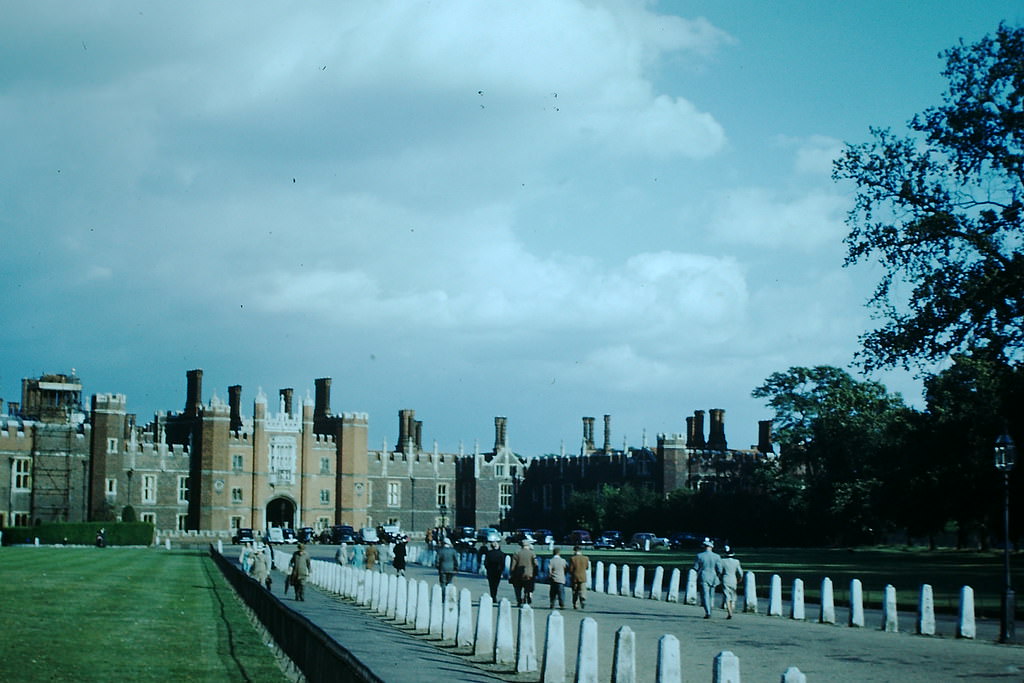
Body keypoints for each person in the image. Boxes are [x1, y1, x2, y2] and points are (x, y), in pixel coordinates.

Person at [693, 538, 723, 618]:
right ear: (711, 547)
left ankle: (708, 612)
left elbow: (695, 567)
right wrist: (717, 576)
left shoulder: (699, 555)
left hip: (703, 576)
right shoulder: (717, 556)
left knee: (705, 595)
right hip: (713, 576)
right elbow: (720, 570)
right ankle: (710, 609)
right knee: (711, 595)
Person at [510, 539, 538, 607]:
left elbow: (513, 565)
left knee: (518, 588)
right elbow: (535, 564)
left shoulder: (517, 553)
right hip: (529, 574)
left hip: (518, 574)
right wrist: (535, 572)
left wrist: (512, 573)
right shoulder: (532, 553)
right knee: (527, 587)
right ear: (528, 545)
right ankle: (526, 596)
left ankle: (519, 600)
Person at [719, 545, 743, 619]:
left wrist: (720, 578)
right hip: (733, 579)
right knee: (733, 595)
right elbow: (740, 572)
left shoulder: (722, 561)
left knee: (727, 595)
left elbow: (720, 571)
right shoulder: (736, 562)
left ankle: (729, 612)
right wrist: (740, 578)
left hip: (725, 579)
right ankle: (732, 608)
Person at [568, 545, 590, 609]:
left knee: (575, 591)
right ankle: (583, 598)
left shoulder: (573, 558)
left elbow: (571, 569)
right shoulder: (586, 558)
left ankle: (576, 604)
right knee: (583, 589)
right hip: (583, 576)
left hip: (575, 576)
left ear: (574, 551)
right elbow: (587, 567)